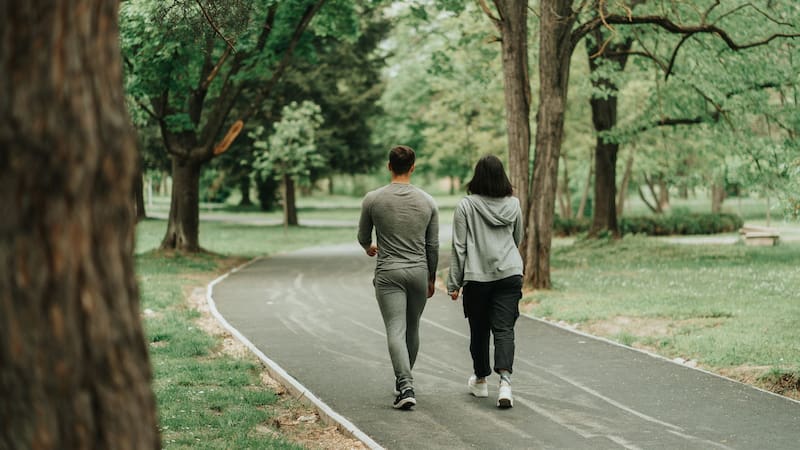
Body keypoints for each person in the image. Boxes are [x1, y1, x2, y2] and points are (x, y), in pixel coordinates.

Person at [358, 145, 439, 410]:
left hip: (389, 273)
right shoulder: (428, 201)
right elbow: (433, 246)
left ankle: (405, 384)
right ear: (413, 167)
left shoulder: (373, 199)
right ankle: (405, 381)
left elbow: (363, 237)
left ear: (389, 166)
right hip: (418, 271)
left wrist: (370, 247)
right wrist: (431, 278)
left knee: (396, 328)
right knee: (412, 327)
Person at [446, 155, 523, 409]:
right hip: (510, 273)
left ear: (477, 177)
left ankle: (480, 380)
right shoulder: (514, 205)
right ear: (503, 177)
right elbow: (517, 237)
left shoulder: (466, 206)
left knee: (479, 330)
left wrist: (454, 283)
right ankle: (505, 383)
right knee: (504, 329)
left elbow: (459, 247)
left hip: (477, 277)